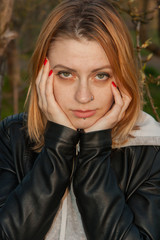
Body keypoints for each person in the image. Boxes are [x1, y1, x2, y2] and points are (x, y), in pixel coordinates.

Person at [0, 0, 160, 239]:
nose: (83, 97)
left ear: (123, 75)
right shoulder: (12, 136)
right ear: (42, 75)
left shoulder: (151, 147)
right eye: (66, 74)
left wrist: (94, 151)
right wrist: (57, 147)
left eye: (101, 75)